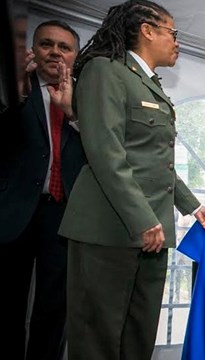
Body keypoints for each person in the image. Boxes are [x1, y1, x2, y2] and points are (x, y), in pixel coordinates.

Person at [57, 1, 205, 358]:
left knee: (138, 337)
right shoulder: (104, 71)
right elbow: (106, 152)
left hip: (151, 233)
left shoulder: (148, 83)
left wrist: (192, 207)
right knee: (98, 339)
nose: (177, 42)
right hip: (109, 229)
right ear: (147, 30)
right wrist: (143, 218)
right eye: (173, 33)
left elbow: (155, 162)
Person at [0, 20, 84, 360]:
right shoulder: (14, 88)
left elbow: (102, 148)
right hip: (13, 211)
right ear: (33, 50)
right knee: (8, 304)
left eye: (64, 47)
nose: (56, 52)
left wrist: (74, 113)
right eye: (47, 44)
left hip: (64, 214)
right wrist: (17, 92)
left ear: (75, 56)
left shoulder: (86, 97)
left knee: (54, 307)